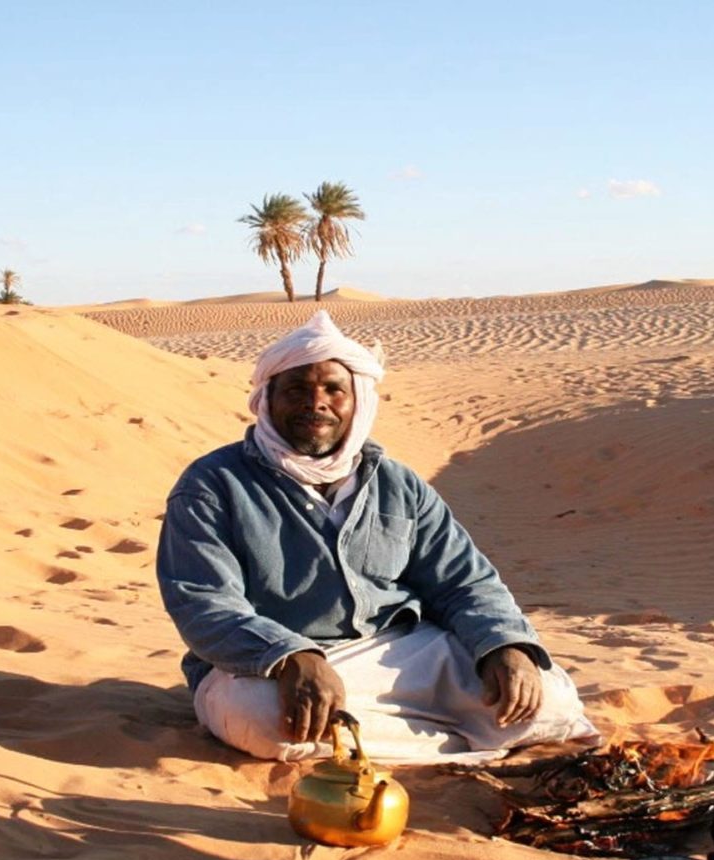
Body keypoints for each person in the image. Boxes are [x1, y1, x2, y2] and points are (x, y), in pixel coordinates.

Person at [157, 311, 597, 763]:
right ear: (267, 400)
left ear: (357, 401)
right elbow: (202, 602)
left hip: (404, 654)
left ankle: (391, 744)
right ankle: (466, 743)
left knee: (548, 698)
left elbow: (464, 581)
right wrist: (292, 656)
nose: (316, 403)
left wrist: (504, 644)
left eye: (333, 389)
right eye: (296, 390)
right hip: (266, 667)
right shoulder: (213, 485)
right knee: (266, 722)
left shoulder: (398, 484)